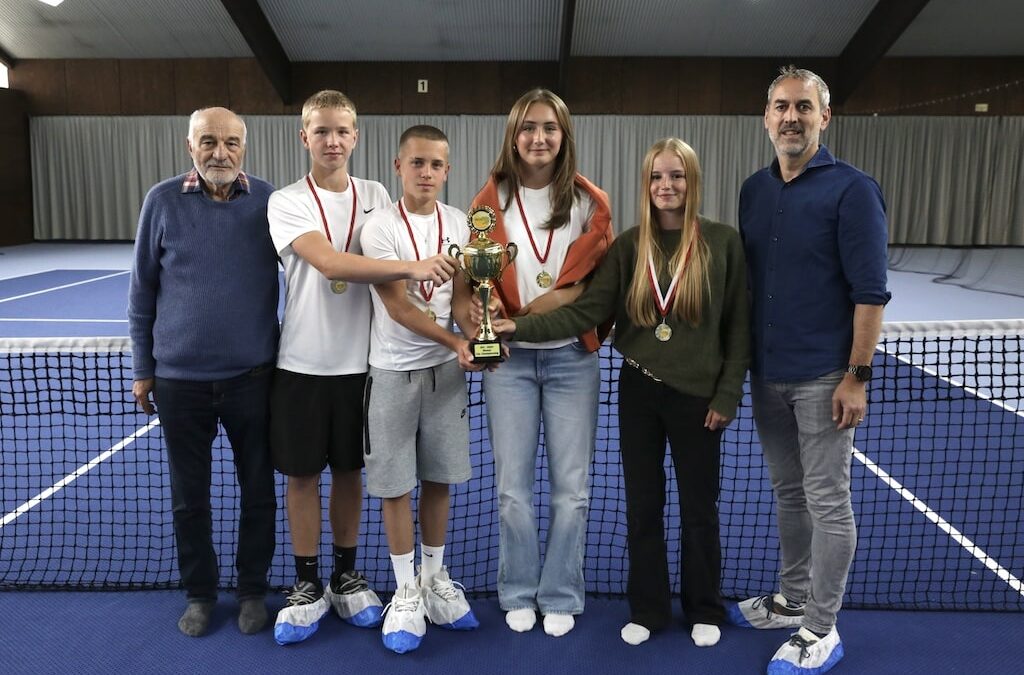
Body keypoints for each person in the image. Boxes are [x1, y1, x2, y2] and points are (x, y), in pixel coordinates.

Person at [493, 138, 750, 648]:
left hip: (699, 399)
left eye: (677, 176)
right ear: (646, 184)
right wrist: (514, 328)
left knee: (700, 508)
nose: (666, 186)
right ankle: (650, 609)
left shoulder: (723, 243)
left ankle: (704, 607)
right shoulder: (631, 246)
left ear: (692, 181)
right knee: (642, 506)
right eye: (657, 177)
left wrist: (727, 396)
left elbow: (738, 329)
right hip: (639, 394)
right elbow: (585, 313)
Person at [266, 91, 458, 645]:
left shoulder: (376, 196)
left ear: (356, 137)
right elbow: (327, 260)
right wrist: (411, 266)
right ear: (305, 136)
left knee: (351, 473)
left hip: (367, 366)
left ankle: (346, 574)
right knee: (303, 476)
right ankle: (305, 583)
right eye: (321, 130)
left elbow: (421, 229)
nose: (332, 141)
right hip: (302, 363)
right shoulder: (286, 201)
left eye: (343, 131)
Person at [729, 66, 890, 674]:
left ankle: (821, 627)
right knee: (788, 493)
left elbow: (870, 293)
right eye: (780, 107)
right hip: (767, 373)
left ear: (824, 117)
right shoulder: (753, 190)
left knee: (827, 498)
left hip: (827, 375)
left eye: (803, 107)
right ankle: (792, 599)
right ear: (766, 118)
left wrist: (858, 374)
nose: (790, 117)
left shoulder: (853, 190)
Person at [128, 107, 278, 637]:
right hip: (179, 383)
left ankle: (253, 591)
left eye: (231, 142)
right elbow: (142, 291)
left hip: (254, 379)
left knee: (258, 490)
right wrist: (144, 369)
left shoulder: (268, 202)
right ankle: (200, 593)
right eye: (209, 142)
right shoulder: (162, 201)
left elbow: (310, 269)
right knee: (189, 498)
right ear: (190, 145)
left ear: (244, 146)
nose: (221, 153)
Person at [470, 88, 614, 637]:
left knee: (571, 489)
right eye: (528, 127)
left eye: (549, 128)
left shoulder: (588, 204)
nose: (538, 138)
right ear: (514, 135)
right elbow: (471, 287)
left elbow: (596, 286)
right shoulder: (488, 205)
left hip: (572, 361)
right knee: (512, 489)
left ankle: (559, 593)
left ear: (564, 136)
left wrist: (552, 306)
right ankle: (517, 590)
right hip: (507, 364)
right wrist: (483, 331)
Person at [359, 124, 481, 654]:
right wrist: (453, 342)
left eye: (436, 165)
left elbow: (457, 300)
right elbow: (399, 306)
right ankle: (405, 590)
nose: (426, 172)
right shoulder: (379, 227)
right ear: (398, 167)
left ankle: (434, 581)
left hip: (446, 375)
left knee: (439, 479)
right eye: (417, 163)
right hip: (391, 372)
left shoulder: (459, 223)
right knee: (394, 485)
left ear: (447, 171)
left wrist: (473, 328)